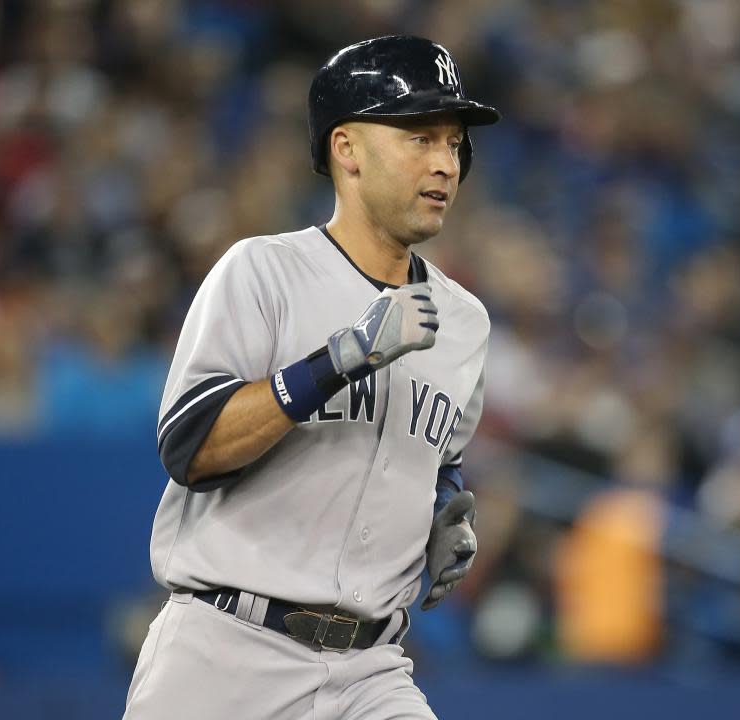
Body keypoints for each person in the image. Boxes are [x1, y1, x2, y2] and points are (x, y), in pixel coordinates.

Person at [123, 35, 500, 720]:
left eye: (454, 143)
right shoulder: (263, 272)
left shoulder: (466, 322)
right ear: (346, 148)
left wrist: (442, 504)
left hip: (371, 671)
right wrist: (338, 359)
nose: (446, 162)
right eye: (420, 137)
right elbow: (191, 448)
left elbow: (441, 457)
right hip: (226, 652)